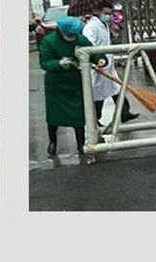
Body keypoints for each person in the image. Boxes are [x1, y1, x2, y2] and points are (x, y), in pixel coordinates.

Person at [39, 15, 93, 156]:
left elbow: (93, 53)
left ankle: (81, 143)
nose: (72, 37)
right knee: (54, 115)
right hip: (56, 84)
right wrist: (58, 63)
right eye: (69, 34)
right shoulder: (49, 41)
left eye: (74, 34)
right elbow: (44, 62)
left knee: (78, 115)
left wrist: (101, 61)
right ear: (62, 31)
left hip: (75, 82)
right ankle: (52, 142)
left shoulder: (81, 40)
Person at [83, 1, 139, 126]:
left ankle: (124, 113)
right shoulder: (91, 26)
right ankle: (95, 119)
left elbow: (110, 38)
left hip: (108, 64)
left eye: (110, 14)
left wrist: (114, 27)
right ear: (98, 11)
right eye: (106, 13)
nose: (108, 16)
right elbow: (88, 44)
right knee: (98, 94)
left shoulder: (105, 24)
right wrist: (96, 62)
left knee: (116, 88)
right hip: (99, 65)